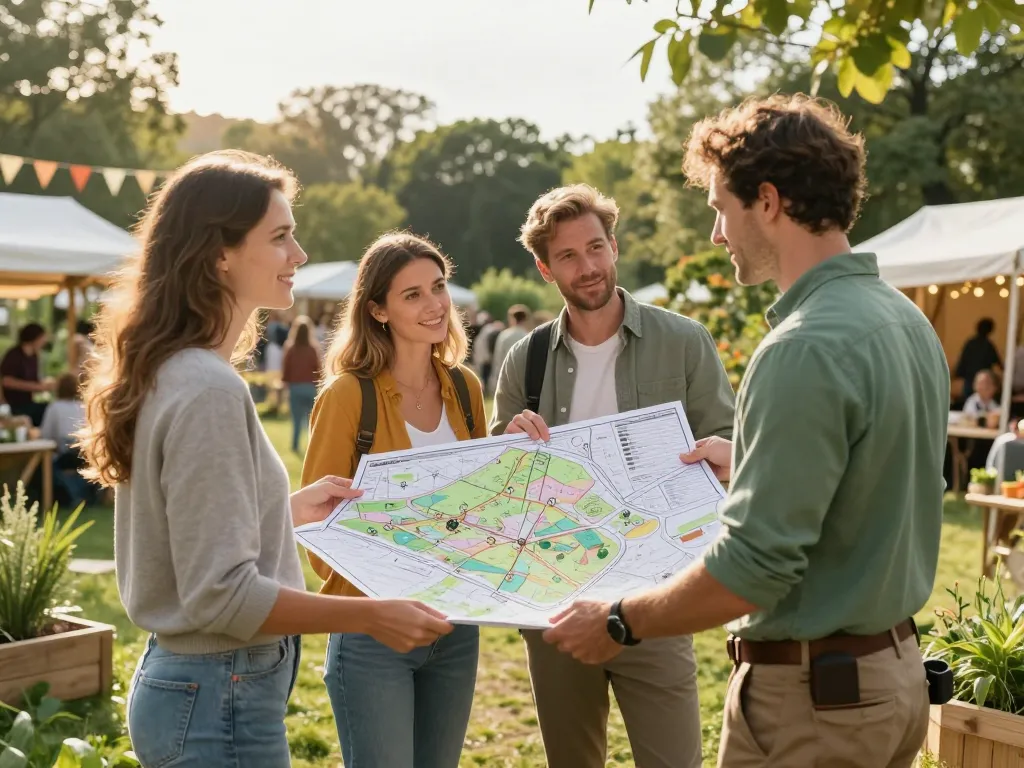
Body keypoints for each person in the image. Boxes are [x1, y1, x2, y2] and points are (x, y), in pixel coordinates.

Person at [542, 95, 950, 768]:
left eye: (718, 208)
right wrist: (756, 465)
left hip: (814, 706)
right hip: (892, 683)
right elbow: (891, 487)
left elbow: (752, 570)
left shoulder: (801, 348)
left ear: (767, 201)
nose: (715, 234)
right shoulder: (904, 321)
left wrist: (618, 619)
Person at [75, 151, 453, 768]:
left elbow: (191, 536)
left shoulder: (181, 370)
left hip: (202, 691)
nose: (299, 255)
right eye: (280, 237)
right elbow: (221, 597)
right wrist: (371, 615)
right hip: (218, 696)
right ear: (219, 253)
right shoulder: (206, 387)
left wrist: (286, 510)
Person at [489, 183, 736, 768]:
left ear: (614, 246)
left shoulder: (684, 342)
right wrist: (504, 449)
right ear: (546, 269)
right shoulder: (524, 359)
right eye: (569, 256)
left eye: (595, 248)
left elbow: (733, 456)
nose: (588, 267)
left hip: (655, 600)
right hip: (555, 604)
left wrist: (724, 455)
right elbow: (500, 488)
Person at [301, 231, 488, 768]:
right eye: (412, 295)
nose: (434, 305)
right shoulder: (346, 396)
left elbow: (483, 507)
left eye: (438, 287)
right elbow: (318, 538)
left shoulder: (466, 387)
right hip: (372, 631)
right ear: (378, 309)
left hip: (456, 627)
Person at [40, 372, 94, 508]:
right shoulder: (83, 407)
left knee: (47, 462)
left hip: (64, 453)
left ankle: (68, 497)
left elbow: (46, 435)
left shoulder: (54, 408)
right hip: (83, 453)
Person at [281, 314, 321, 452]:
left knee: (296, 420)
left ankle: (295, 445)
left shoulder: (290, 348)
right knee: (313, 421)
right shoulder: (313, 348)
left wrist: (285, 383)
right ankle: (313, 446)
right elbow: (318, 369)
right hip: (310, 387)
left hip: (295, 387)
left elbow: (286, 369)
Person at [1, 322, 55, 426]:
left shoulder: (34, 356)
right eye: (42, 338)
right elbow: (7, 381)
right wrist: (35, 387)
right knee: (46, 411)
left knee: (51, 408)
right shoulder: (14, 355)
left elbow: (35, 381)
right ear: (34, 338)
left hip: (27, 402)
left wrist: (49, 384)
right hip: (12, 405)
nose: (44, 341)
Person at [955, 318, 1001, 405]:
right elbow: (998, 363)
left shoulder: (970, 343)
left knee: (968, 404)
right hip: (983, 383)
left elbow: (962, 360)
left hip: (969, 380)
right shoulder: (988, 345)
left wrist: (958, 374)